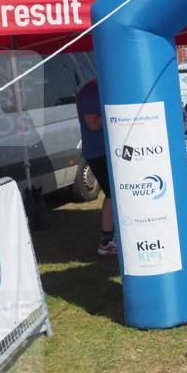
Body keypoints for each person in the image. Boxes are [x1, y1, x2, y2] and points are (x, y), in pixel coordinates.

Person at [75, 78, 116, 255]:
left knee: (114, 193)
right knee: (113, 193)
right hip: (98, 152)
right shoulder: (89, 92)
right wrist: (115, 110)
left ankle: (110, 238)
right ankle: (106, 241)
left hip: (109, 149)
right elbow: (92, 124)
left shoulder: (104, 87)